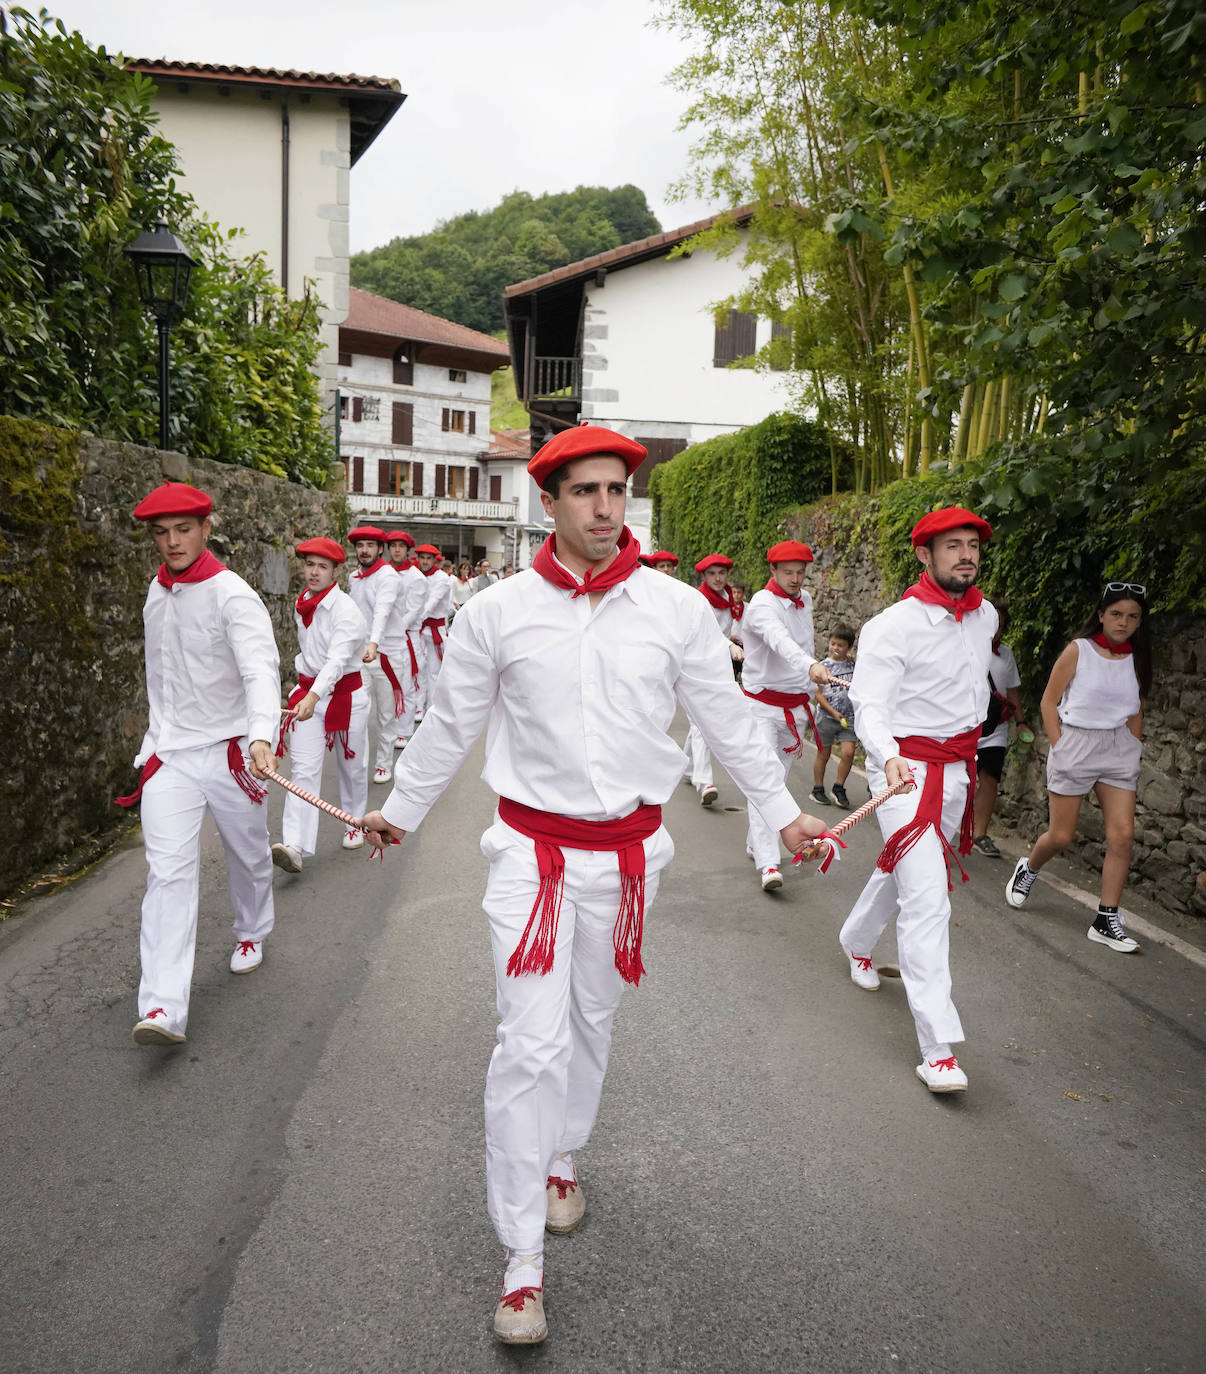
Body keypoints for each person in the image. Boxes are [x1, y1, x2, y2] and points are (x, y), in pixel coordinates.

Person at [358, 423, 828, 1346]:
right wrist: (398, 813)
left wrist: (786, 812)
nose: (606, 509)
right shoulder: (495, 614)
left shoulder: (676, 610)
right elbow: (450, 726)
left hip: (627, 861)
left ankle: (563, 1154)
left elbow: (728, 722)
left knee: (589, 1022)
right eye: (586, 492)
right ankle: (521, 1262)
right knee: (527, 1043)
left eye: (617, 491)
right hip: (528, 864)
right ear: (550, 502)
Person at [839, 507, 997, 1093]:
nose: (966, 554)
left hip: (957, 772)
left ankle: (855, 940)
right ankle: (939, 1049)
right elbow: (870, 705)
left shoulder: (986, 618)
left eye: (973, 545)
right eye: (952, 545)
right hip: (902, 774)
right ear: (924, 556)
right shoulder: (892, 625)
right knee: (929, 898)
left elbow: (976, 696)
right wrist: (886, 755)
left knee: (909, 874)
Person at [116, 482, 280, 1046]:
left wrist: (262, 735)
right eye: (161, 533)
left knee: (249, 852)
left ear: (207, 529)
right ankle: (163, 1008)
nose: (172, 542)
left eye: (183, 529)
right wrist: (156, 744)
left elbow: (261, 669)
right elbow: (159, 678)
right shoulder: (154, 594)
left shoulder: (233, 595)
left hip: (235, 752)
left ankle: (253, 930)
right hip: (173, 757)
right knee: (167, 873)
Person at [1005, 583, 1150, 953]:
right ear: (1101, 615)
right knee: (1061, 836)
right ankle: (1029, 869)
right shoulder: (1078, 650)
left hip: (1118, 748)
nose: (1124, 622)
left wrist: (1133, 745)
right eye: (1116, 614)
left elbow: (1137, 707)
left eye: (1133, 616)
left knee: (1122, 836)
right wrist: (1061, 745)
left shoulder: (1139, 657)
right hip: (1076, 744)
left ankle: (1105, 919)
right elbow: (1048, 702)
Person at [271, 537, 370, 873]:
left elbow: (337, 661)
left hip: (345, 696)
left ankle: (354, 822)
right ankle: (294, 846)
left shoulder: (347, 612)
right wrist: (306, 693)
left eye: (322, 567)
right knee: (303, 770)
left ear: (336, 572)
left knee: (351, 767)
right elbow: (312, 658)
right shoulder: (303, 603)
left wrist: (314, 697)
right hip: (309, 695)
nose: (313, 572)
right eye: (309, 564)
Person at [740, 540, 833, 892]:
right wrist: (811, 666)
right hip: (762, 708)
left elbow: (805, 643)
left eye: (800, 572)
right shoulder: (762, 605)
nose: (795, 579)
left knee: (775, 780)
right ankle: (768, 862)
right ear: (773, 571)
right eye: (788, 572)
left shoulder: (804, 600)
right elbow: (782, 643)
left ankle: (754, 842)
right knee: (766, 783)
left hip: (796, 708)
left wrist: (810, 692)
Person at [684, 553, 745, 805]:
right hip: (696, 665)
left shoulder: (731, 598)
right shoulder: (699, 600)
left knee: (698, 723)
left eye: (721, 573)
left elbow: (738, 627)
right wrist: (727, 645)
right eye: (712, 574)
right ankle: (704, 781)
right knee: (702, 723)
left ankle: (688, 768)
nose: (718, 578)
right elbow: (708, 632)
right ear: (703, 576)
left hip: (720, 668)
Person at [971, 601, 1030, 858]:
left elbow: (1013, 692)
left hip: (996, 728)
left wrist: (1021, 722)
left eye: (1001, 625)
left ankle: (979, 834)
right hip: (966, 726)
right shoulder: (964, 648)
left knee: (990, 780)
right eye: (992, 623)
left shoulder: (1006, 654)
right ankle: (947, 827)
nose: (996, 630)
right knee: (960, 781)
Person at [346, 525, 403, 785]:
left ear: (380, 549)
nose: (364, 550)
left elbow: (382, 611)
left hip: (387, 655)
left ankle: (384, 763)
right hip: (360, 656)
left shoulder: (388, 576)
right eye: (360, 546)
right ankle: (357, 763)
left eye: (370, 545)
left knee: (385, 715)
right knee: (357, 711)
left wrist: (373, 643)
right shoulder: (352, 577)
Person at [383, 531, 427, 750]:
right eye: (393, 546)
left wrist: (387, 629)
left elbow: (412, 611)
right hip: (381, 639)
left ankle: (404, 730)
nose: (397, 550)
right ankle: (388, 728)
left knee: (406, 686)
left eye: (401, 546)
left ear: (407, 550)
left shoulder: (416, 577)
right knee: (385, 688)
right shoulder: (382, 573)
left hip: (407, 637)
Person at [811, 623, 858, 810]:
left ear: (849, 647)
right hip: (827, 716)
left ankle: (838, 787)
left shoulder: (854, 665)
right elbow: (818, 694)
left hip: (849, 718)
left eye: (840, 645)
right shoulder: (823, 666)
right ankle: (818, 788)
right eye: (833, 644)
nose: (835, 648)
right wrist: (833, 712)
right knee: (824, 754)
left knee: (849, 753)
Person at [415, 544, 454, 718]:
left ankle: (432, 707)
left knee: (434, 671)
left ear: (435, 560)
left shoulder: (442, 579)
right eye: (422, 558)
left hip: (434, 631)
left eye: (428, 558)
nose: (424, 561)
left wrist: (410, 622)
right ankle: (417, 706)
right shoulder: (415, 575)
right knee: (418, 669)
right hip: (418, 630)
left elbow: (431, 604)